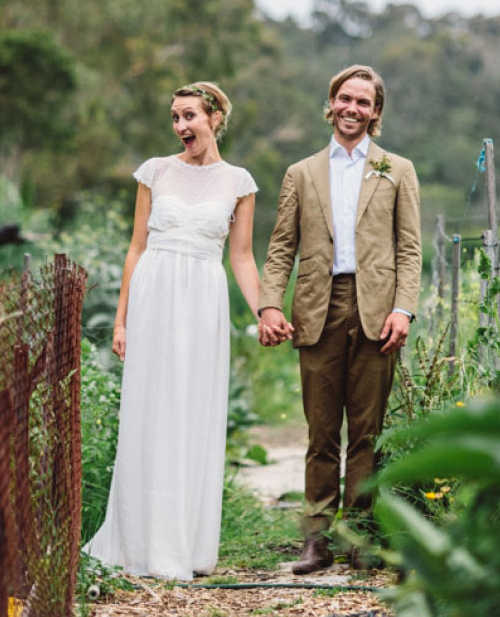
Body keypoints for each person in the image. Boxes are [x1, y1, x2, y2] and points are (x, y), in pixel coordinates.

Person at [85, 82, 260, 580]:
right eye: (175, 118)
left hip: (203, 300)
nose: (182, 126)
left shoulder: (239, 183)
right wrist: (120, 320)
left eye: (190, 116)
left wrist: (267, 309)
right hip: (154, 293)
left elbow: (242, 257)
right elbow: (135, 248)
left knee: (191, 409)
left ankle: (184, 543)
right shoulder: (155, 171)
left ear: (215, 118)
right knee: (149, 408)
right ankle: (140, 541)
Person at [258, 64, 421, 574]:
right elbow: (281, 247)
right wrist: (269, 303)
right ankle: (317, 538)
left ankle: (360, 536)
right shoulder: (301, 173)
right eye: (344, 99)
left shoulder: (398, 169)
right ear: (331, 103)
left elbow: (410, 249)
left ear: (376, 112)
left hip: (378, 311)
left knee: (367, 432)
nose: (352, 109)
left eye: (363, 102)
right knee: (322, 432)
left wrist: (403, 307)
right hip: (317, 308)